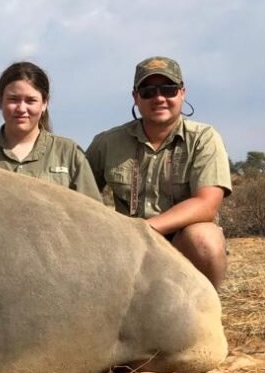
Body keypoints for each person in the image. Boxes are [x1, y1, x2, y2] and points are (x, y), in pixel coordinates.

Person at [86, 56, 231, 289]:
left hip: (180, 248)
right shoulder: (106, 142)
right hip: (126, 250)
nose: (159, 98)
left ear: (182, 92)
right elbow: (81, 196)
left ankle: (206, 317)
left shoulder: (204, 138)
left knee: (206, 240)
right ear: (135, 97)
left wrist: (146, 230)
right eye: (148, 91)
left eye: (168, 89)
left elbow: (207, 203)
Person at [0, 61, 101, 201]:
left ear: (44, 104)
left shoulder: (69, 153)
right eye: (13, 99)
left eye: (30, 101)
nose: (21, 108)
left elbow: (93, 213)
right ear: (0, 102)